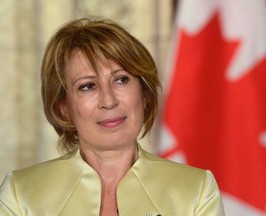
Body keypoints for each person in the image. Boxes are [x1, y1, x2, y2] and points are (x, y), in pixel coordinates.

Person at [0, 17, 225, 216]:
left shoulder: (196, 191)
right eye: (87, 86)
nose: (109, 101)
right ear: (63, 107)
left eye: (121, 80)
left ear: (144, 93)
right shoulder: (21, 194)